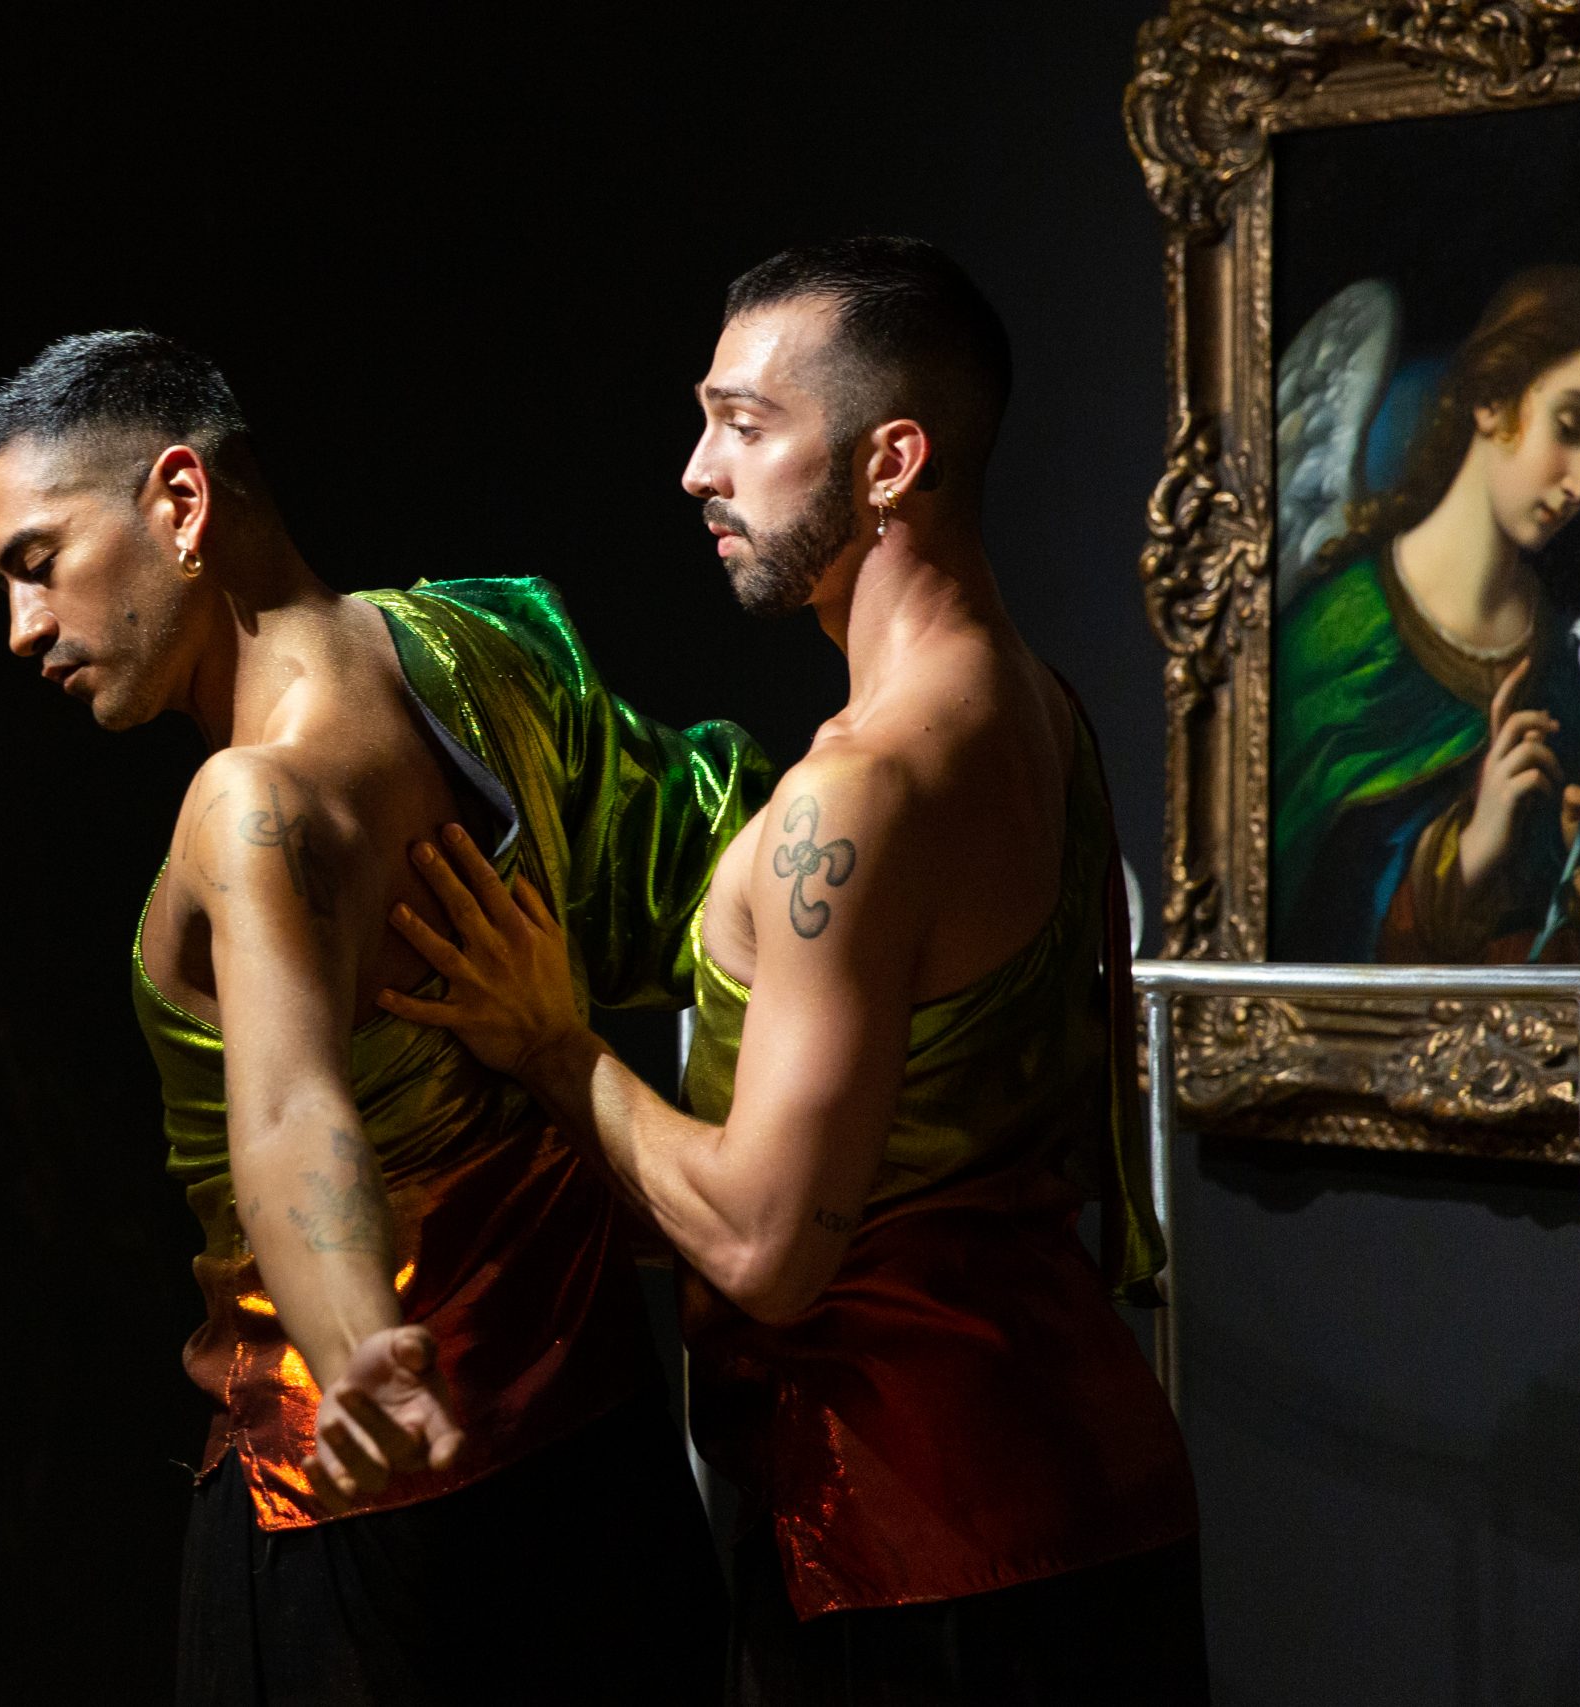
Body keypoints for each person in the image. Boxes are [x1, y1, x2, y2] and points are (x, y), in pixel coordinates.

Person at [376, 239, 1207, 1703]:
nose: (700, 469)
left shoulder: (859, 794)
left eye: (747, 426)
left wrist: (557, 1047)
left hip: (911, 1535)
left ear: (891, 460)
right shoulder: (1040, 710)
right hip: (1089, 1481)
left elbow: (770, 1247)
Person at [0, 330, 757, 1705]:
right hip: (601, 1467)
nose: (24, 628)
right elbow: (700, 846)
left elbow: (286, 1109)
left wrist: (349, 1351)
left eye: (37, 562)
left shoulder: (248, 803)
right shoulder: (483, 642)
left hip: (373, 1514)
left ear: (182, 501)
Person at [1273, 264, 1580, 962]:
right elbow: (1291, 928)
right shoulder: (1335, 635)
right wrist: (1469, 850)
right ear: (1490, 398)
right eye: (1568, 426)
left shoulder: (1573, 679)